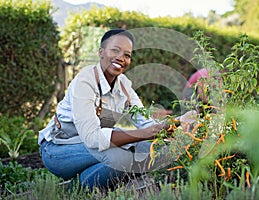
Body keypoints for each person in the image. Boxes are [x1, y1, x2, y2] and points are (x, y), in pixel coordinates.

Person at [38, 29, 171, 190]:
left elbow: (145, 123)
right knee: (122, 159)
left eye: (127, 55)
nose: (121, 58)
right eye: (115, 50)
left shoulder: (123, 85)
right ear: (101, 52)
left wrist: (176, 124)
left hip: (94, 148)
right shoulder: (84, 81)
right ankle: (75, 189)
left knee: (156, 151)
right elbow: (93, 138)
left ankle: (97, 179)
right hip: (60, 149)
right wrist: (145, 134)